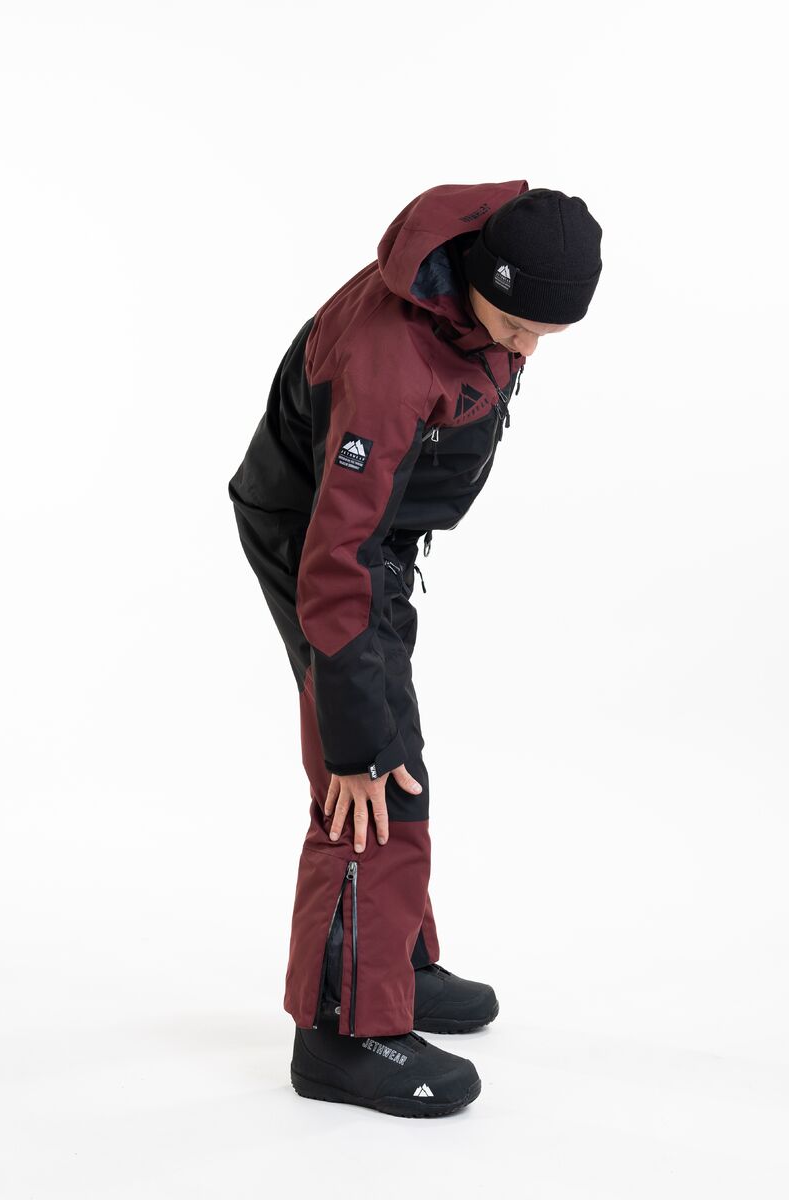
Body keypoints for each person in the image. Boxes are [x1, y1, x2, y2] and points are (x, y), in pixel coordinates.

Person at [228, 180, 603, 1118]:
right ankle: (342, 1032)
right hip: (321, 539)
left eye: (545, 335)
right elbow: (335, 557)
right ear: (481, 281)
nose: (524, 349)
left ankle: (390, 963)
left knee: (394, 752)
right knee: (369, 775)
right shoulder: (389, 363)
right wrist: (356, 743)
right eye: (514, 326)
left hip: (374, 538)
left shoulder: (490, 274)